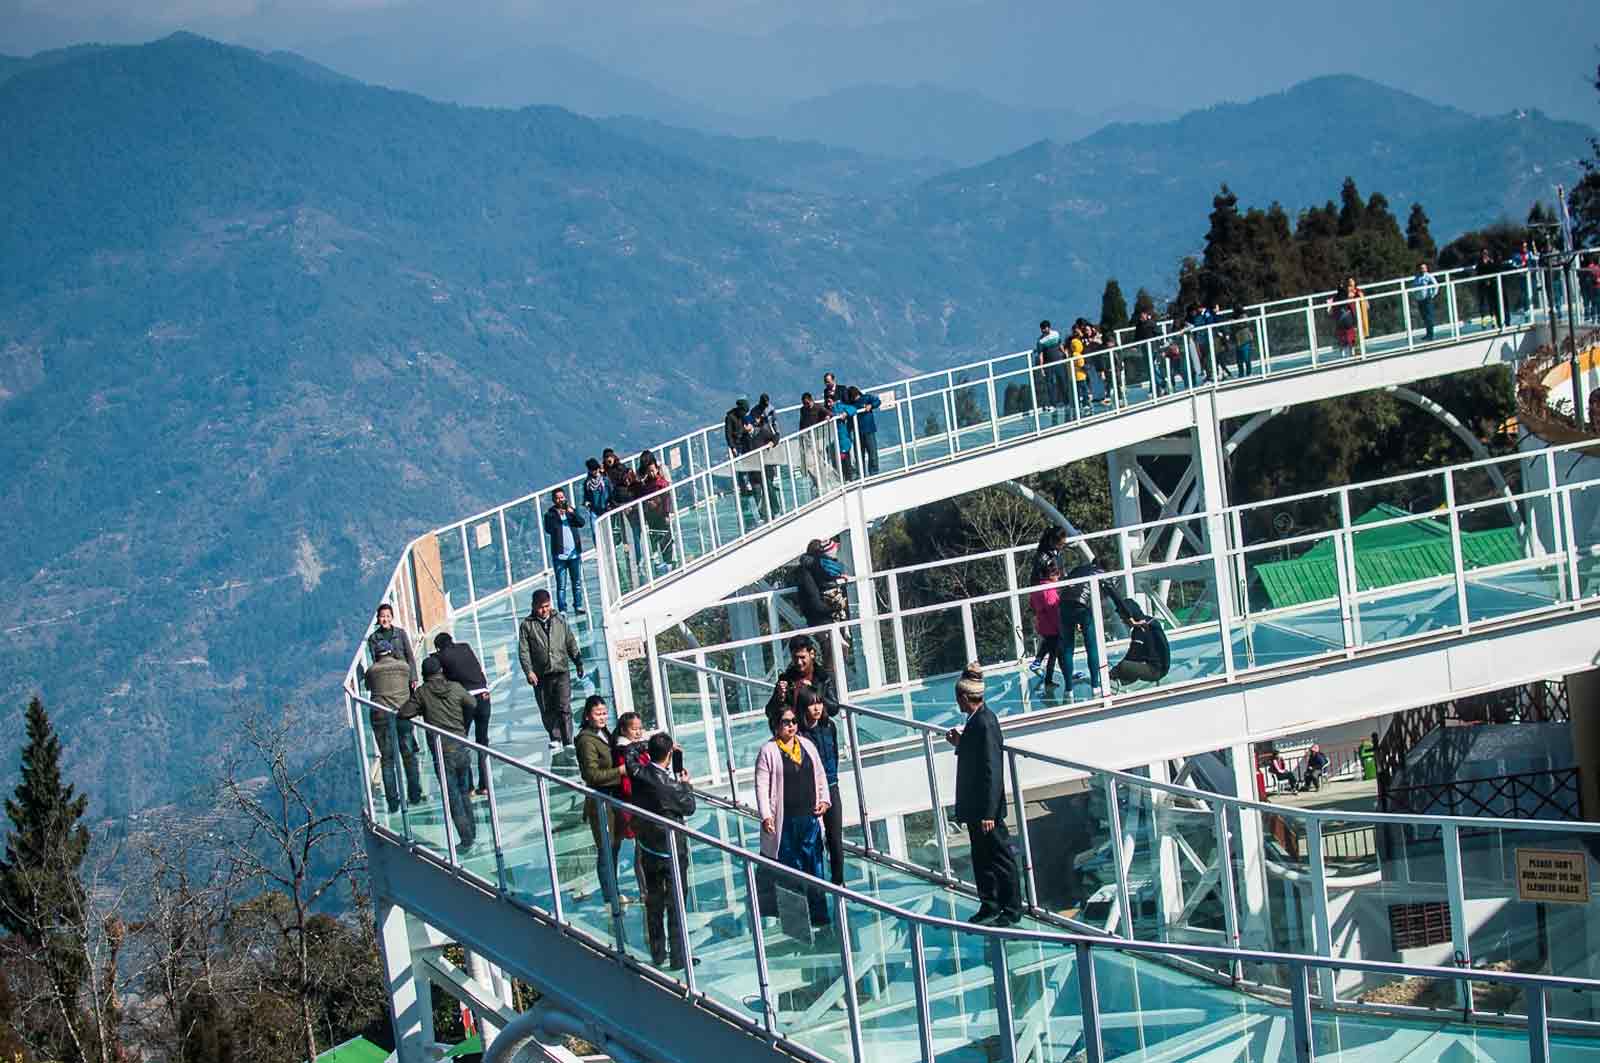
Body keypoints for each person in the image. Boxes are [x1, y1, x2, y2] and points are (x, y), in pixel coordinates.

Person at [945, 664, 1021, 926]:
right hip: (977, 806)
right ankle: (990, 904)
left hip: (985, 808)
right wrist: (961, 743)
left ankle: (1010, 908)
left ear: (965, 697)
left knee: (999, 858)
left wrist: (989, 811)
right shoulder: (977, 721)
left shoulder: (985, 723)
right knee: (982, 857)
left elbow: (992, 769)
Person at [754, 705, 831, 928]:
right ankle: (797, 925)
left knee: (815, 868)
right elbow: (761, 786)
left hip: (809, 819)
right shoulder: (768, 751)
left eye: (794, 721)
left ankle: (820, 919)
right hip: (784, 822)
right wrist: (766, 815)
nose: (791, 725)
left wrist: (824, 800)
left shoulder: (806, 745)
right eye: (786, 722)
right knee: (790, 872)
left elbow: (820, 774)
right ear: (776, 725)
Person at [629, 732, 697, 969]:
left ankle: (658, 953)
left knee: (654, 901)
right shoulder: (669, 785)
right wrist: (686, 784)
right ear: (670, 754)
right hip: (671, 851)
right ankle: (678, 957)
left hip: (648, 847)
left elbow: (630, 754)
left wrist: (643, 745)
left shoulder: (639, 772)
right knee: (676, 903)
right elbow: (689, 807)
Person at [399, 657, 478, 851]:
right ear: (441, 670)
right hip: (461, 747)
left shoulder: (423, 693)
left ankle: (466, 839)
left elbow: (405, 713)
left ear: (425, 675)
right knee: (464, 792)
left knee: (453, 797)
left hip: (442, 752)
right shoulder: (455, 687)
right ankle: (472, 832)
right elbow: (473, 703)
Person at [1058, 554, 1134, 698]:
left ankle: (1068, 689)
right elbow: (1116, 597)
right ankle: (1095, 686)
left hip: (1064, 606)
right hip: (1083, 608)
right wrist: (1129, 616)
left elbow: (1066, 585)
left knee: (1068, 648)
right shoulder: (1103, 574)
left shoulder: (1079, 569)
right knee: (1091, 646)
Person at [518, 588, 585, 751]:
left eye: (547, 606)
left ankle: (568, 740)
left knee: (564, 706)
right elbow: (524, 651)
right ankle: (555, 737)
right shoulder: (527, 625)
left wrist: (578, 661)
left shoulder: (559, 620)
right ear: (534, 606)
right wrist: (529, 671)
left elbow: (570, 641)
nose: (544, 610)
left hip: (561, 669)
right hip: (541, 674)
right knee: (547, 707)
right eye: (541, 607)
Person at [575, 694, 624, 908]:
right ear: (587, 716)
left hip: (613, 798)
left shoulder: (604, 733)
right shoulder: (586, 740)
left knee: (614, 847)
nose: (603, 717)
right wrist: (619, 772)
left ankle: (614, 890)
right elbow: (591, 775)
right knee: (606, 848)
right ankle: (610, 894)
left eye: (604, 713)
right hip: (600, 800)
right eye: (598, 713)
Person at [362, 644, 423, 813]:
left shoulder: (372, 671)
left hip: (380, 717)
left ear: (376, 654)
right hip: (402, 714)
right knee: (409, 756)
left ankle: (393, 802)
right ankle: (415, 794)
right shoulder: (404, 667)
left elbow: (368, 687)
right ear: (392, 652)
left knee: (387, 760)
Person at [430, 633, 492, 795]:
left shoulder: (441, 656)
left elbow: (437, 675)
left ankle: (469, 787)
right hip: (484, 695)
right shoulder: (465, 647)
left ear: (438, 647)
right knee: (482, 741)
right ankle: (485, 786)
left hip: (466, 700)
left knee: (460, 742)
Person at [796, 688, 846, 887]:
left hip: (832, 785)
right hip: (810, 790)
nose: (816, 707)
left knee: (835, 837)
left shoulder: (829, 726)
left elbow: (833, 751)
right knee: (811, 838)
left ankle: (838, 882)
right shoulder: (799, 733)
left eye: (819, 702)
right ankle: (814, 882)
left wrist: (832, 775)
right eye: (811, 703)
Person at [767, 632, 841, 721]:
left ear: (812, 654)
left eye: (802, 657)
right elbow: (769, 712)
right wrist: (779, 697)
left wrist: (813, 691)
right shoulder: (786, 679)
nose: (799, 662)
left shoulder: (823, 677)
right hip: (795, 730)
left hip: (818, 729)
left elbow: (834, 709)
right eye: (795, 657)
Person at [544, 488, 587, 615]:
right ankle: (562, 609)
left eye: (562, 497)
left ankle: (578, 605)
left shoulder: (571, 511)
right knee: (561, 585)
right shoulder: (550, 515)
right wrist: (559, 516)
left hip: (574, 554)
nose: (560, 500)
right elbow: (549, 529)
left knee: (577, 582)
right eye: (557, 498)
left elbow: (581, 523)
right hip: (560, 555)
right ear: (553, 500)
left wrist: (571, 513)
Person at [1109, 601, 1170, 686]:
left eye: (1123, 618)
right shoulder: (1150, 621)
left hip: (1156, 670)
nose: (1123, 622)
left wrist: (1112, 672)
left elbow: (1133, 655)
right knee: (1128, 666)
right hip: (1161, 666)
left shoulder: (1140, 630)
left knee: (1124, 666)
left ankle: (1115, 684)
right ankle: (1123, 681)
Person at [1028, 562, 1063, 688]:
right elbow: (1053, 610)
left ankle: (1038, 662)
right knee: (1053, 653)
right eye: (1057, 575)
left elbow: (1032, 604)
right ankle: (1048, 680)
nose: (1058, 578)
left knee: (1048, 645)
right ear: (1051, 575)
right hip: (1052, 626)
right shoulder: (1050, 591)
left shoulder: (1036, 589)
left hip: (1042, 624)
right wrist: (1060, 626)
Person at [368, 604, 418, 687]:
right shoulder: (373, 638)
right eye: (382, 616)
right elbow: (375, 661)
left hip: (404, 676)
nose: (385, 619)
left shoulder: (401, 633)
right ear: (378, 618)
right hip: (387, 680)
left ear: (392, 617)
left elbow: (409, 656)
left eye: (388, 616)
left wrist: (413, 677)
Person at [639, 459, 675, 569]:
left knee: (666, 537)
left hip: (661, 514)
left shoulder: (661, 483)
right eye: (649, 471)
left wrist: (666, 513)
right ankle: (661, 560)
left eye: (653, 471)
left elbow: (666, 499)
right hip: (652, 516)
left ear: (657, 470)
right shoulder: (647, 484)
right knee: (655, 537)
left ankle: (669, 561)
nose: (651, 473)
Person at [1034, 320, 1069, 424]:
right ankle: (1053, 404)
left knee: (1062, 381)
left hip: (1059, 361)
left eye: (1046, 327)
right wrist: (1041, 368)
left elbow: (1060, 345)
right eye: (1043, 328)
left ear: (1049, 327)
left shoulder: (1056, 334)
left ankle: (1066, 402)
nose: (1045, 330)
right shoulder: (1040, 341)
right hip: (1049, 365)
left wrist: (1065, 354)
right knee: (1050, 384)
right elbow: (1040, 355)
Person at [843, 386, 883, 475]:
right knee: (861, 455)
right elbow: (849, 421)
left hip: (868, 431)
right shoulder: (851, 405)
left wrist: (871, 405)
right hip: (858, 433)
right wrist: (848, 432)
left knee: (871, 453)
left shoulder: (866, 398)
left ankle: (872, 473)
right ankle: (863, 474)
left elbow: (878, 401)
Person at [1132, 308, 1165, 395]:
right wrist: (1135, 345)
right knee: (1149, 369)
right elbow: (1137, 337)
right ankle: (1155, 387)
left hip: (1153, 349)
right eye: (1140, 315)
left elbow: (1159, 333)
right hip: (1144, 349)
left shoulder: (1151, 323)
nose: (1141, 317)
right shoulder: (1139, 325)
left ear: (1146, 315)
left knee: (1154, 368)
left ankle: (1161, 384)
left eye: (1142, 315)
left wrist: (1160, 344)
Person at [1328, 279, 1362, 359]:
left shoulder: (1335, 298)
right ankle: (1353, 351)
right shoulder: (1348, 295)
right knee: (1352, 334)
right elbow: (1354, 298)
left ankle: (1343, 353)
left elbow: (1331, 311)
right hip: (1348, 321)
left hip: (1340, 322)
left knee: (1342, 336)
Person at [1412, 262, 1440, 341]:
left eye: (1424, 268)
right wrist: (1415, 296)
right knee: (1424, 317)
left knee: (1429, 317)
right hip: (1420, 300)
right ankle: (1427, 334)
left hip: (1427, 299)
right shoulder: (1417, 277)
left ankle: (1431, 335)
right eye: (1421, 268)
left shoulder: (1429, 276)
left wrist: (1433, 294)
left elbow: (1436, 285)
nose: (1423, 269)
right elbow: (1413, 287)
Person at [1476, 248, 1503, 327]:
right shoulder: (1479, 262)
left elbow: (1493, 269)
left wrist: (1490, 262)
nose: (1485, 255)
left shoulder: (1490, 261)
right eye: (1484, 253)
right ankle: (1483, 319)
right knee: (1483, 302)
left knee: (1491, 301)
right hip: (1482, 284)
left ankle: (1493, 318)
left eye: (1486, 253)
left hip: (1490, 284)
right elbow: (1479, 271)